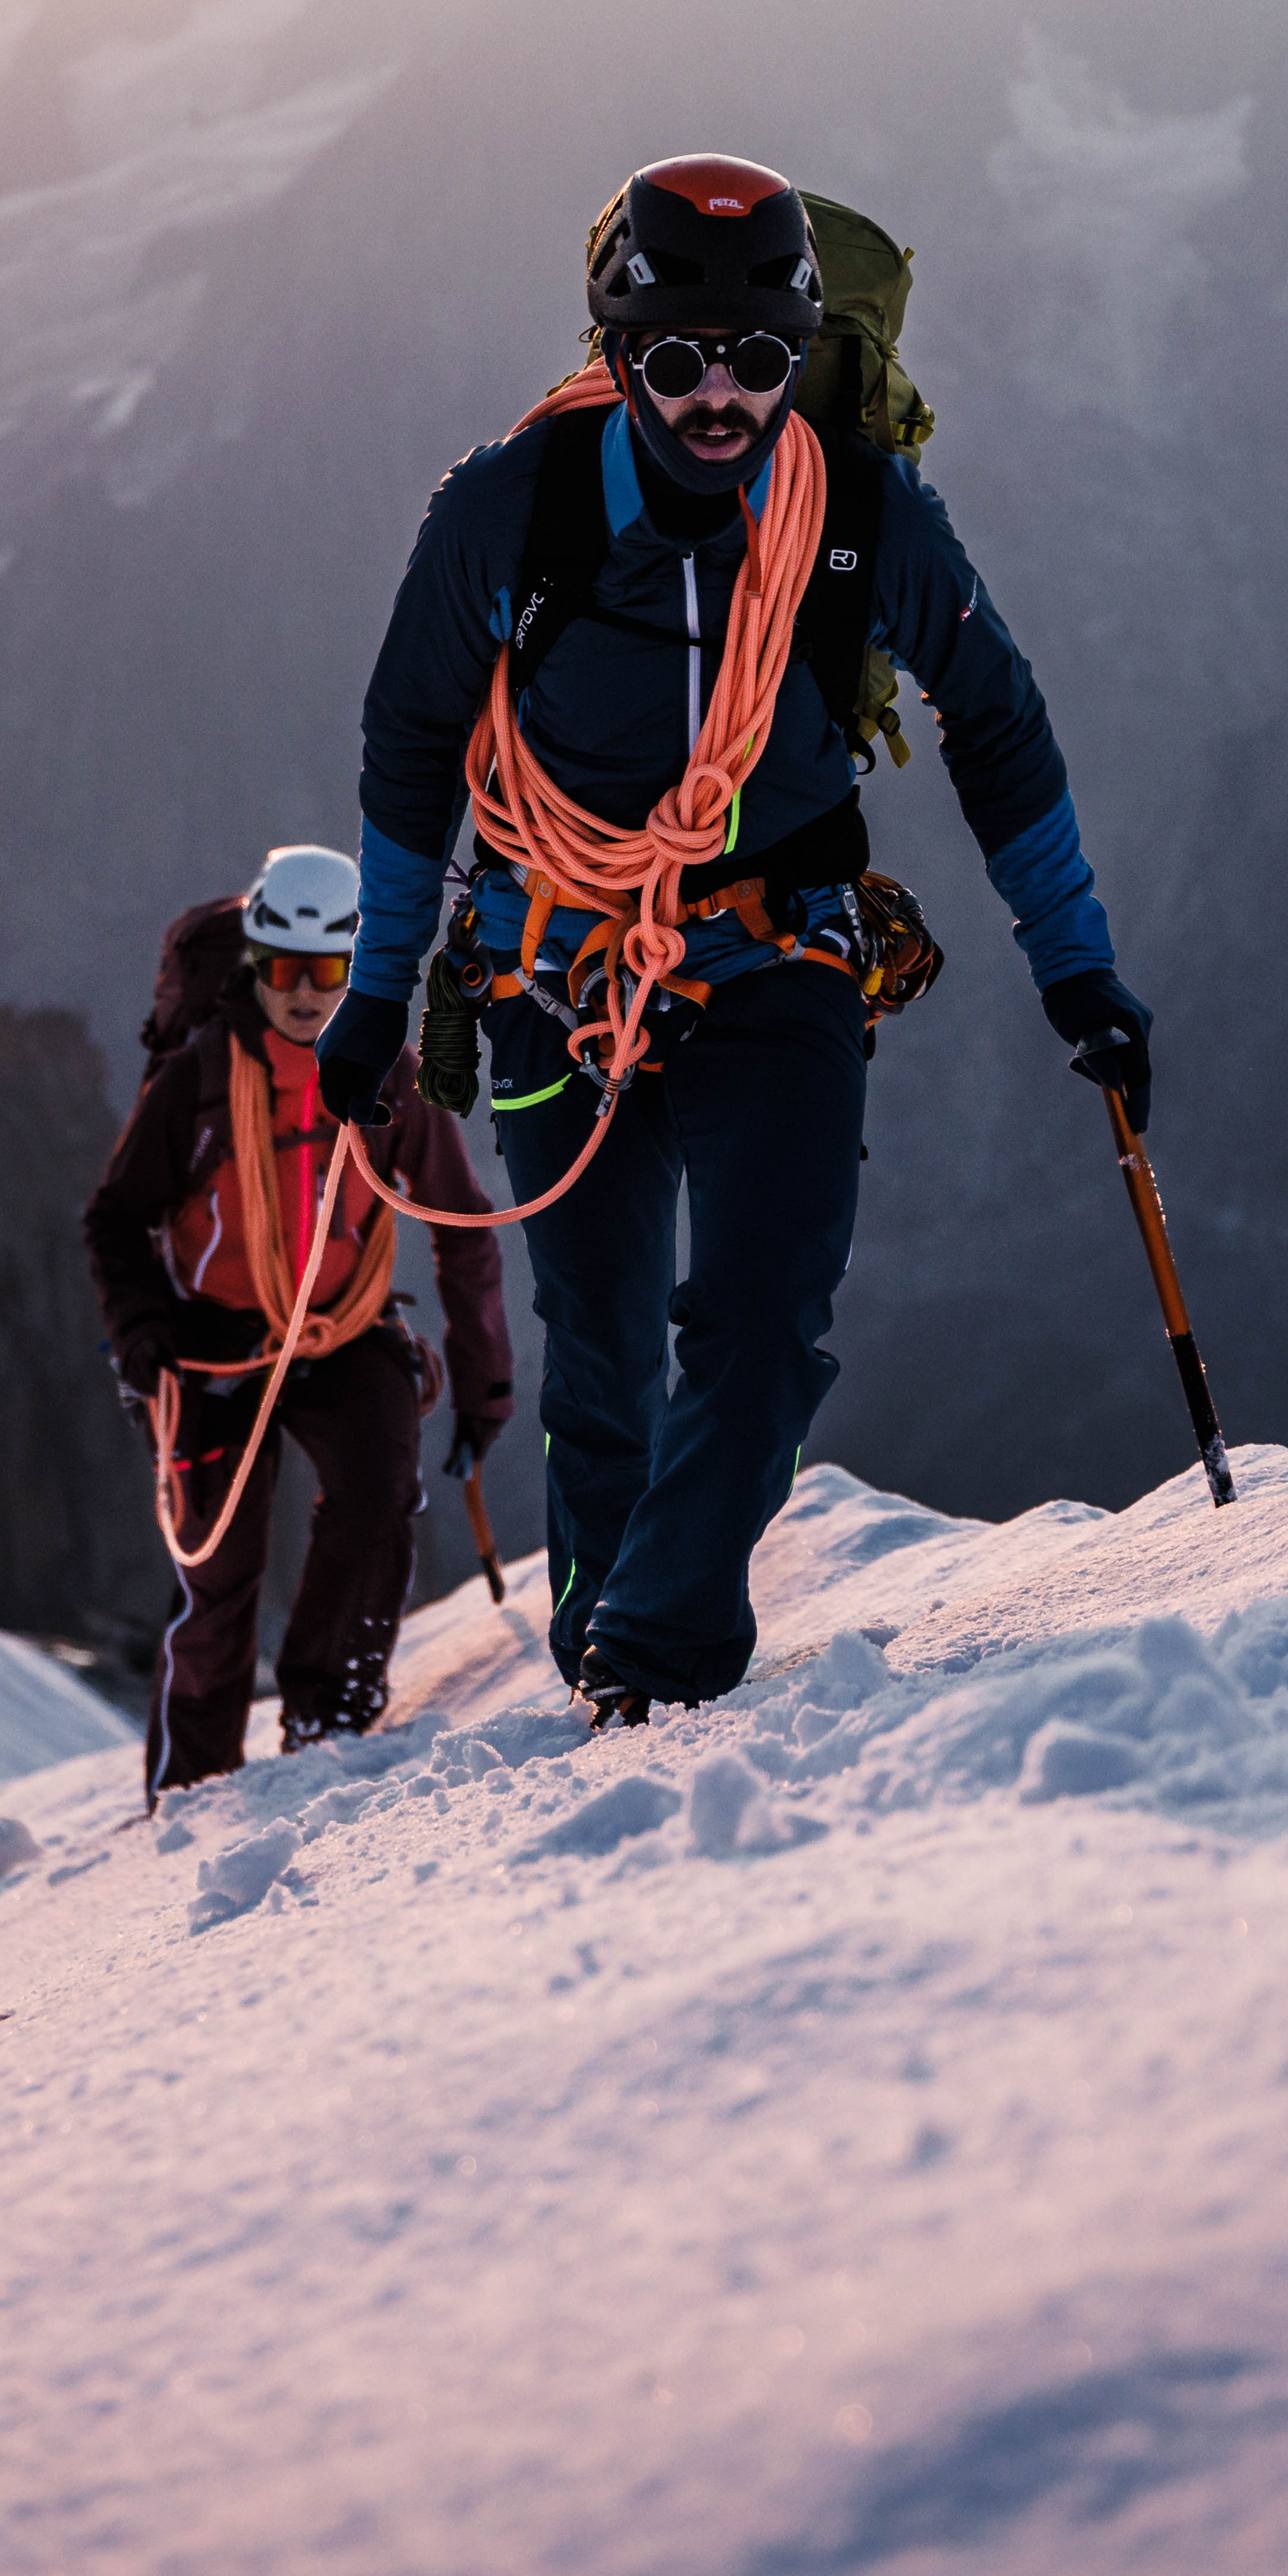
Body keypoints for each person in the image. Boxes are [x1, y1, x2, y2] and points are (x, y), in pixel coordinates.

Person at [310, 155, 1154, 1723]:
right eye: (677, 357)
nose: (718, 396)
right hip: (549, 971)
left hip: (781, 954)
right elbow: (414, 739)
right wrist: (377, 992)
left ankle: (659, 1645)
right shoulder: (509, 505)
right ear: (616, 350)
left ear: (799, 356)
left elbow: (995, 718)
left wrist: (1073, 960)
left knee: (763, 1312)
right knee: (606, 1340)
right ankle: (604, 1647)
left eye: (759, 359)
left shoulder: (859, 515)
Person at [82, 844, 516, 1791]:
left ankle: (331, 1713)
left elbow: (462, 1225)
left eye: (330, 971)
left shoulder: (390, 1080)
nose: (307, 993)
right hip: (210, 1344)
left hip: (341, 1332)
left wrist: (483, 1378)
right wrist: (145, 1335)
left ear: (358, 964)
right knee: (218, 1579)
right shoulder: (196, 1077)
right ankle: (190, 1789)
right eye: (284, 969)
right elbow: (116, 1218)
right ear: (254, 965)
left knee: (375, 1495)